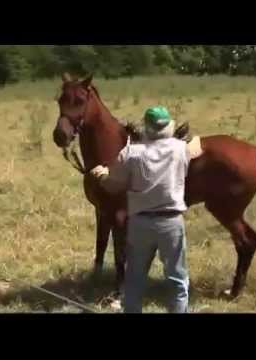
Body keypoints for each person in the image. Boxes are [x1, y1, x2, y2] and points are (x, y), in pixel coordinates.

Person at [90, 106, 191, 314]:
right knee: (177, 279)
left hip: (140, 224)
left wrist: (102, 175)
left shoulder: (131, 152)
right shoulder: (180, 148)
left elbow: (114, 186)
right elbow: (196, 148)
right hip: (171, 223)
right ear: (168, 127)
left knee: (134, 279)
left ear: (147, 127)